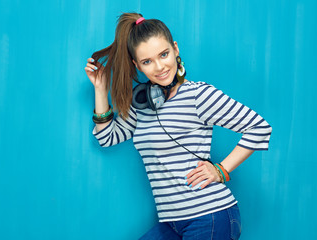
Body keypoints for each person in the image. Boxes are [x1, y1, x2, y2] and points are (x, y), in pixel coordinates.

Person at [84, 12, 272, 240]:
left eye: (164, 54)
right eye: (147, 61)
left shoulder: (198, 95)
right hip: (171, 222)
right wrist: (100, 90)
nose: (160, 66)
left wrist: (221, 170)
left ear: (175, 49)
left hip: (210, 215)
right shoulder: (141, 102)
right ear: (137, 65)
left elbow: (259, 127)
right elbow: (107, 138)